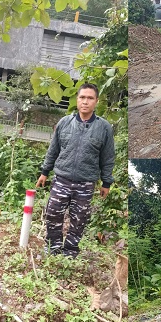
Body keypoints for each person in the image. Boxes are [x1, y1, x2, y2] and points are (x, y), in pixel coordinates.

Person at [36, 83, 115, 258]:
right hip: (61, 179)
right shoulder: (64, 123)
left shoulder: (104, 128)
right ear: (77, 99)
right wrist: (44, 172)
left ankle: (70, 253)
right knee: (53, 214)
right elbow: (53, 150)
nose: (85, 102)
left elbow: (107, 158)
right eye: (82, 97)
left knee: (79, 220)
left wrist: (106, 182)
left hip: (85, 183)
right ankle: (53, 248)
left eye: (90, 98)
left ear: (96, 101)